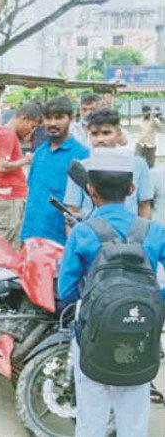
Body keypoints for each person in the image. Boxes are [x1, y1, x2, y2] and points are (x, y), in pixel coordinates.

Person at [58, 155, 165, 437]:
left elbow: (65, 291)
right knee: (134, 419)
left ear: (91, 190)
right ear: (131, 190)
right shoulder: (154, 231)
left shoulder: (82, 232)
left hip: (92, 333)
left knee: (91, 417)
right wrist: (156, 297)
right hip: (142, 333)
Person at [20, 96, 90, 245]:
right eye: (48, 118)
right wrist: (24, 237)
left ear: (71, 118)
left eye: (59, 118)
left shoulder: (82, 155)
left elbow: (87, 205)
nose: (52, 123)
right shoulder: (40, 153)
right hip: (32, 236)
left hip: (62, 241)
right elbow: (32, 196)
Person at [64, 108, 152, 220]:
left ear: (118, 133)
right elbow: (72, 209)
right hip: (91, 233)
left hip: (129, 234)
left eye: (106, 133)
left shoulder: (138, 165)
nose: (100, 139)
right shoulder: (80, 168)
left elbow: (144, 206)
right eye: (95, 134)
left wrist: (141, 236)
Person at [0, 103, 42, 248]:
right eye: (32, 126)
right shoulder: (7, 135)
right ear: (23, 118)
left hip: (13, 199)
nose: (31, 132)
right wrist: (26, 160)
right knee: (9, 249)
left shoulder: (5, 133)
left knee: (16, 245)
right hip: (11, 200)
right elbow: (1, 166)